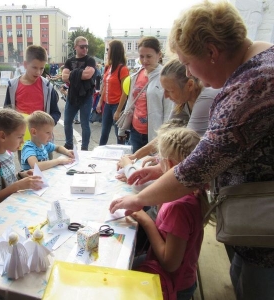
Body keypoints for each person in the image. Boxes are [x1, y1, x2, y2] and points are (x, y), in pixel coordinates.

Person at [110, 2, 274, 299]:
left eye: (187, 63)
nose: (189, 74)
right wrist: (162, 168)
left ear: (212, 52)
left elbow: (197, 168)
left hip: (265, 234)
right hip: (254, 226)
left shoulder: (255, 85)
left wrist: (139, 201)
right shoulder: (261, 60)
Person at [132, 127, 210, 300]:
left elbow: (170, 263)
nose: (157, 163)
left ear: (171, 165)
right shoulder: (193, 191)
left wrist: (146, 221)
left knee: (121, 269)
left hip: (173, 285)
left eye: (160, 160)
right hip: (182, 276)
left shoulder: (178, 207)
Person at [121, 58, 219, 163]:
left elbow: (188, 147)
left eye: (170, 91)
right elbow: (167, 133)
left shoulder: (205, 98)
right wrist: (135, 156)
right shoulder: (183, 98)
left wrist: (158, 161)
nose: (166, 96)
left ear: (189, 85)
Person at [0, 109, 43, 214]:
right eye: (19, 137)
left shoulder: (8, 152)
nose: (23, 141)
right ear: (2, 136)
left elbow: (7, 181)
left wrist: (21, 175)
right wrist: (17, 186)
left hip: (11, 208)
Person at [3, 45, 61, 162]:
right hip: (22, 140)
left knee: (47, 169)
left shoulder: (48, 87)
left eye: (42, 68)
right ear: (25, 64)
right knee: (27, 171)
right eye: (34, 67)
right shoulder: (13, 86)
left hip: (43, 140)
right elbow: (6, 112)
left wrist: (46, 125)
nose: (38, 72)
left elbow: (55, 112)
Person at [118, 36, 173, 153]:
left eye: (149, 56)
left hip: (154, 134)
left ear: (159, 55)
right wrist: (123, 128)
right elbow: (131, 102)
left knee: (148, 167)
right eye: (141, 56)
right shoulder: (137, 75)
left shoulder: (165, 77)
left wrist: (164, 137)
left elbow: (169, 111)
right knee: (134, 165)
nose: (144, 61)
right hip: (135, 131)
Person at [62, 36, 96, 151]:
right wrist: (79, 73)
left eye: (86, 47)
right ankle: (69, 144)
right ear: (75, 47)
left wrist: (73, 74)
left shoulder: (90, 60)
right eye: (82, 47)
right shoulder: (69, 61)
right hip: (72, 96)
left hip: (86, 96)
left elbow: (88, 75)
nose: (85, 49)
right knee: (67, 122)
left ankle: (84, 148)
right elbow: (64, 77)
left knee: (84, 124)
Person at [96, 40, 130, 145]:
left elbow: (125, 91)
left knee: (119, 134)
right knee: (104, 133)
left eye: (108, 49)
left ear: (114, 51)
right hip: (107, 104)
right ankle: (100, 153)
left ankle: (121, 156)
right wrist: (100, 102)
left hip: (117, 105)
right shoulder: (108, 67)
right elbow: (106, 86)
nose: (107, 51)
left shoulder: (123, 69)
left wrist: (119, 111)